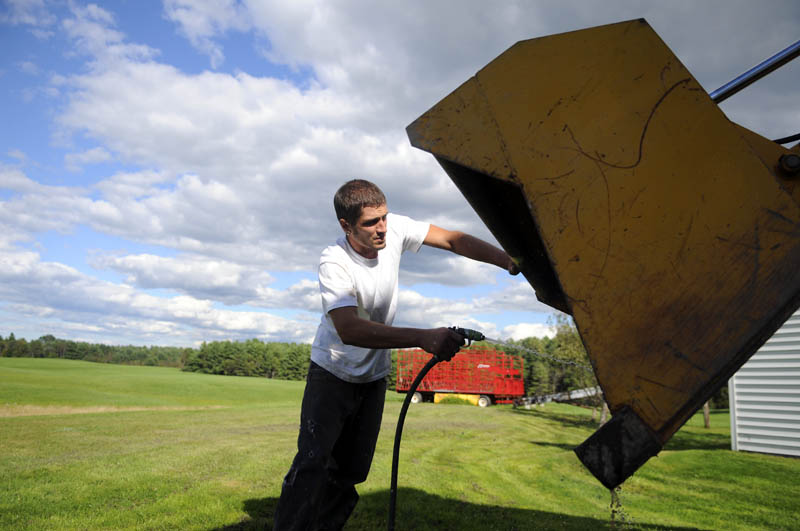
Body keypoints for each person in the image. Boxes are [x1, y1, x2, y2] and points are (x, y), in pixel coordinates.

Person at [273, 179, 518, 530]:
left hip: (372, 378)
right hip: (332, 373)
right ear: (346, 225)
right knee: (312, 465)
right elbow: (349, 329)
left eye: (384, 217)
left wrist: (508, 261)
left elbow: (452, 239)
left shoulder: (395, 229)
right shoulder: (334, 262)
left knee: (350, 474)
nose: (382, 228)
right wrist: (422, 337)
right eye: (371, 223)